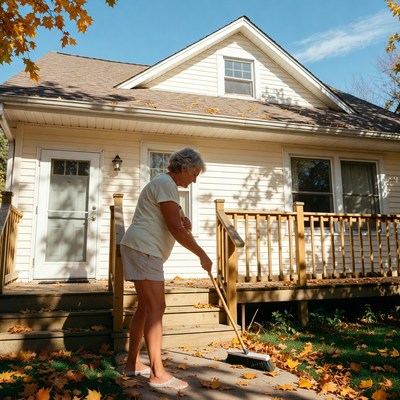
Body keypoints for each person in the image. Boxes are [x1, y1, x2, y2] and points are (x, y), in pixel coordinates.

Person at [120, 147, 213, 390]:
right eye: (194, 174)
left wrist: (183, 219)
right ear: (185, 168)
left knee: (145, 307)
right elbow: (176, 228)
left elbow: (175, 221)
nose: (194, 180)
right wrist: (202, 254)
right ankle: (157, 373)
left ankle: (132, 363)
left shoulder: (164, 186)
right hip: (144, 248)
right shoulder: (165, 182)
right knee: (157, 307)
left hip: (140, 247)